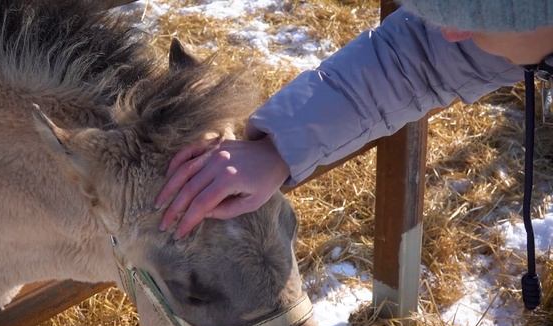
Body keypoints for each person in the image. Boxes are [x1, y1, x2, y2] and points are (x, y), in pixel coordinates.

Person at [155, 0, 553, 240]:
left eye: (472, 13)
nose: (449, 31)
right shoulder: (521, 27)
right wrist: (279, 147)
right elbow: (416, 57)